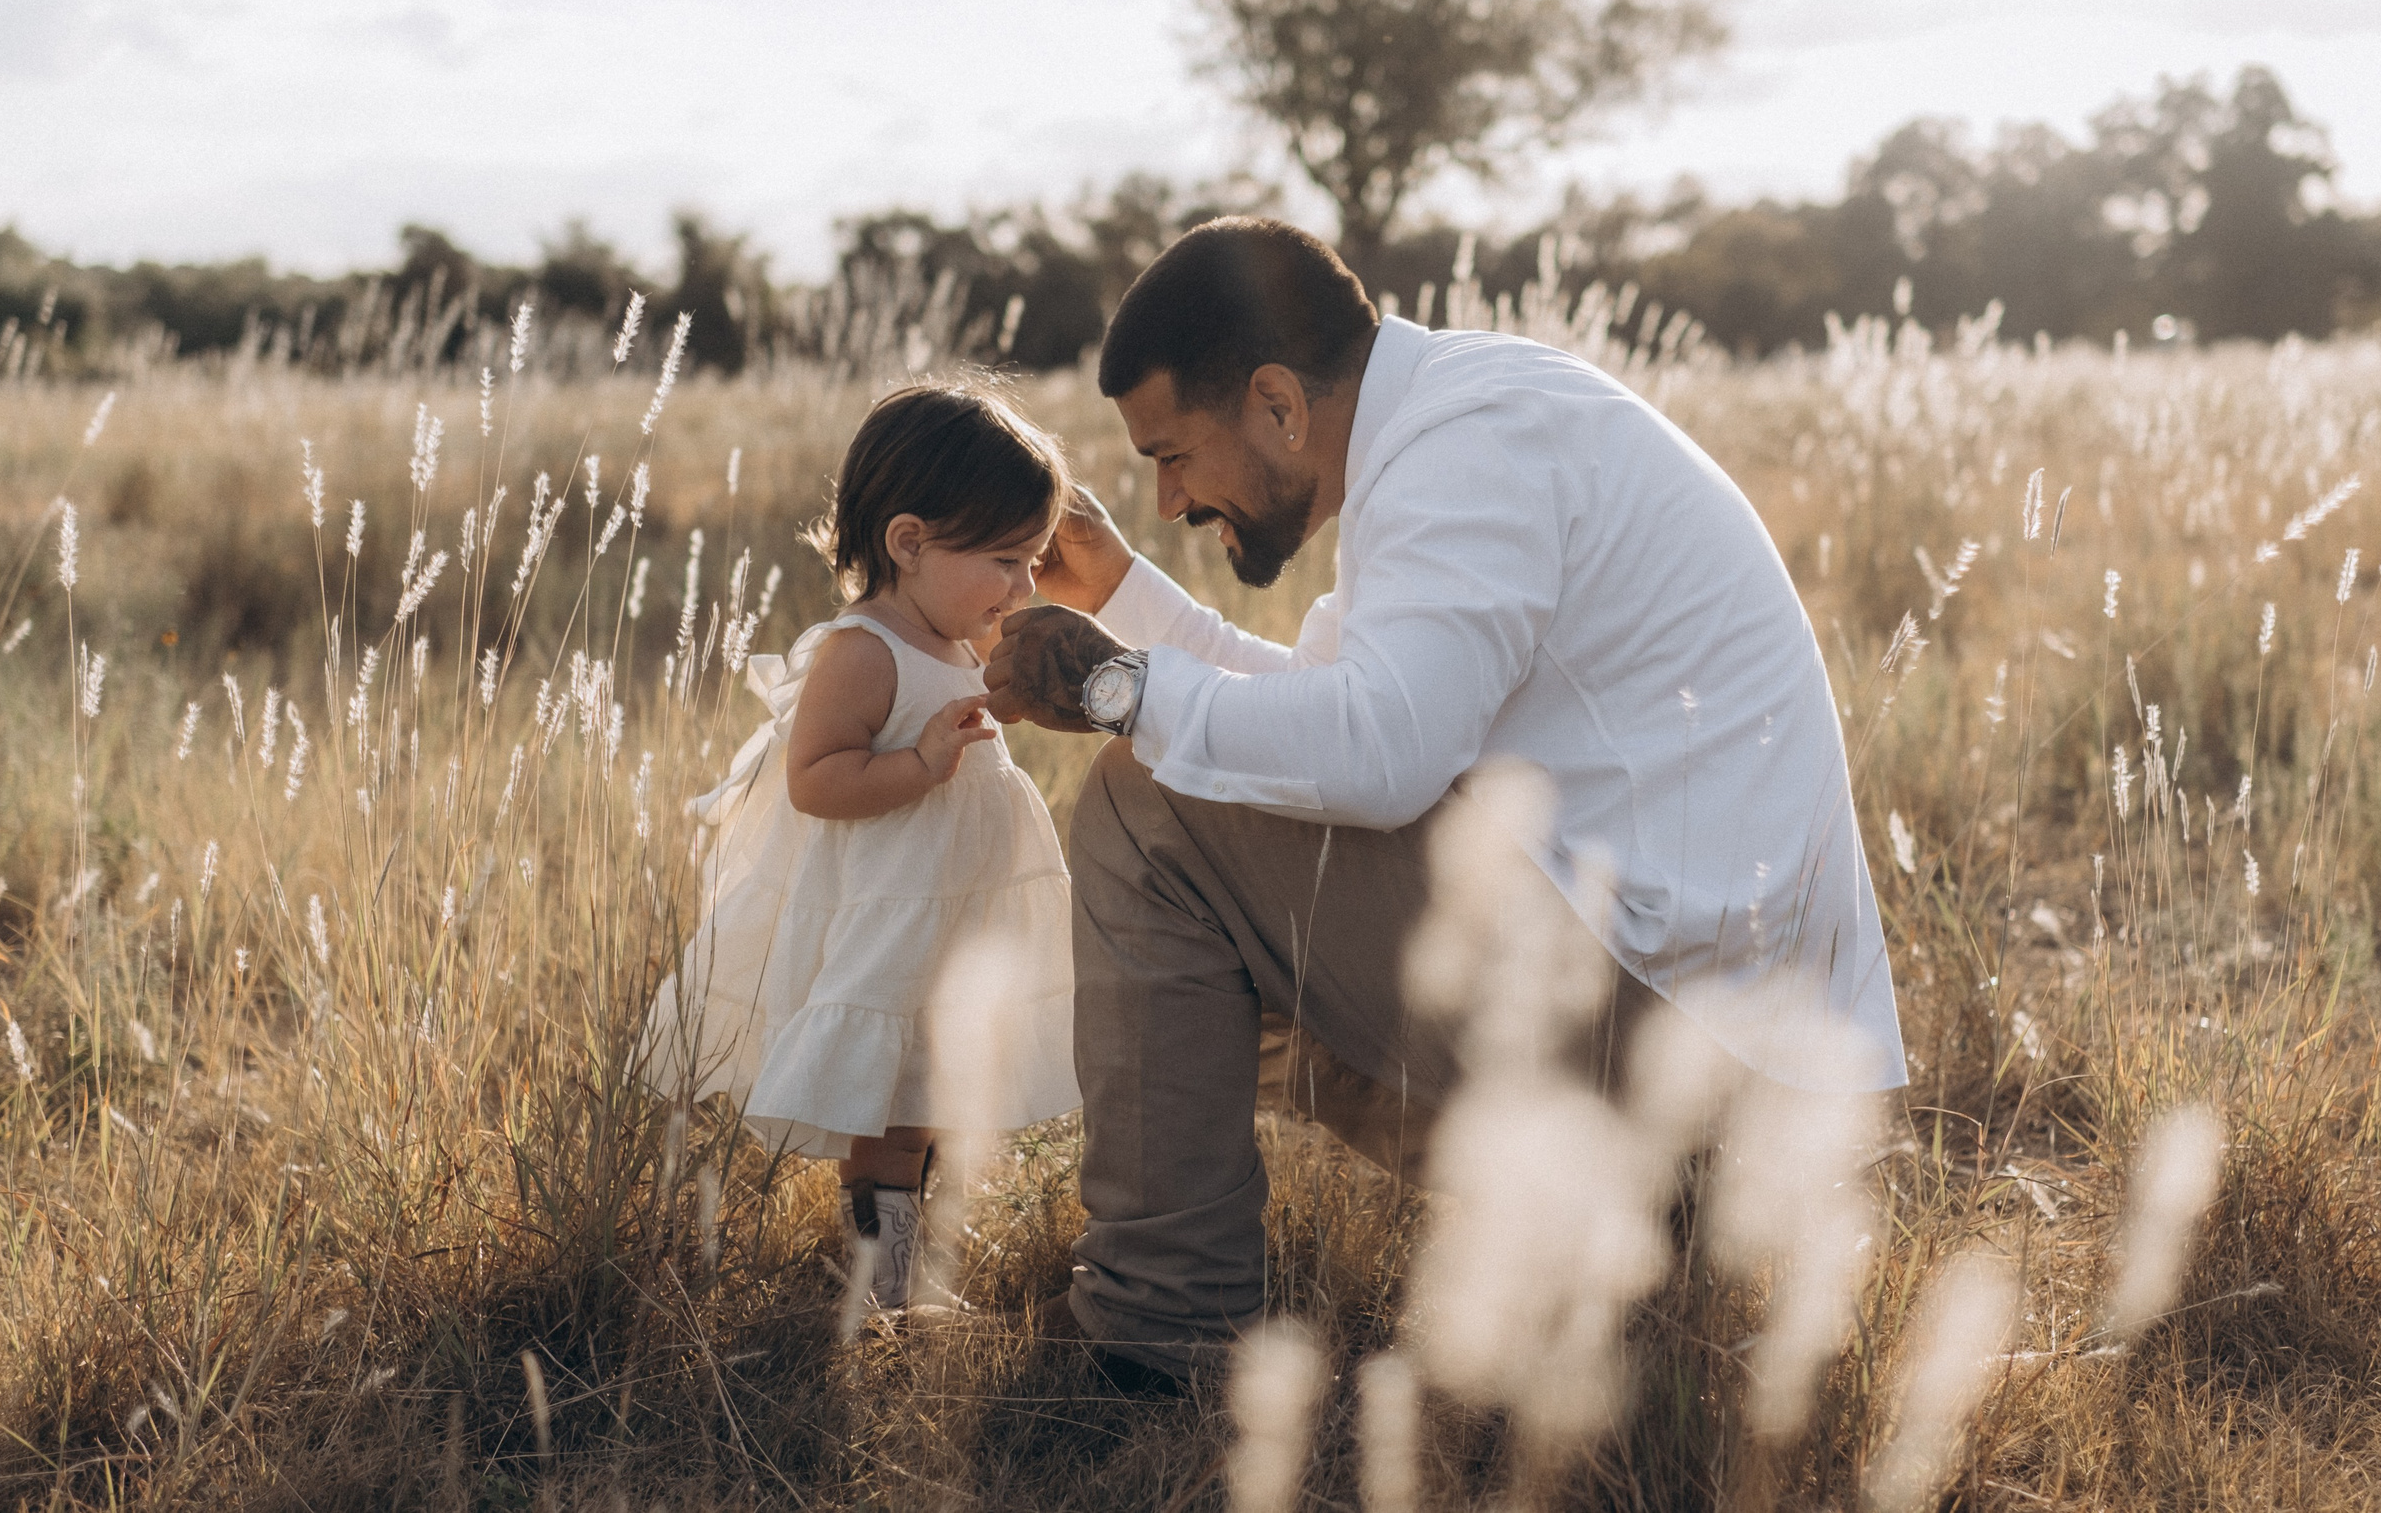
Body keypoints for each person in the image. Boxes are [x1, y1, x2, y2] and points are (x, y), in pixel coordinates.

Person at [985, 217, 1907, 1384]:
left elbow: (1373, 755)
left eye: (1172, 456)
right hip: (1691, 1008)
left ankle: (1161, 1328)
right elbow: (1329, 720)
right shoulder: (1460, 420)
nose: (1167, 499)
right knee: (1198, 790)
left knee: (1146, 805)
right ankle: (1634, 1216)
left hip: (1690, 1033)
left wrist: (1118, 689)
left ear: (1276, 404)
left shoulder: (1466, 448)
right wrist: (1128, 597)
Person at [641, 384, 1081, 1310]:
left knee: (929, 1088)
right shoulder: (862, 650)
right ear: (909, 542)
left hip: (953, 914)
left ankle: (907, 1265)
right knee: (889, 1105)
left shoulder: (953, 638)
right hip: (890, 916)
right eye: (1007, 559)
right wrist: (921, 763)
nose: (1025, 587)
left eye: (1033, 560)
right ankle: (885, 1280)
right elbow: (817, 779)